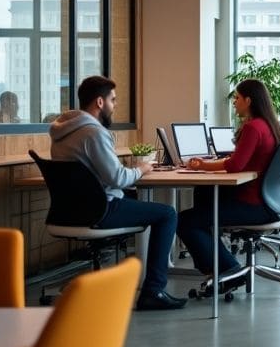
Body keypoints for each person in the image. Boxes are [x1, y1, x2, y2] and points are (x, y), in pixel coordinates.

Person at [49, 76, 186, 311]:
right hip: (101, 208)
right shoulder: (93, 133)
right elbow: (118, 178)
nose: (115, 105)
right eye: (113, 100)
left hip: (68, 211)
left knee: (139, 202)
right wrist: (143, 168)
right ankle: (153, 291)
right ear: (100, 102)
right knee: (167, 213)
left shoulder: (61, 133)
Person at [177, 78, 280, 287]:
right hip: (270, 202)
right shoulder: (270, 126)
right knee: (204, 200)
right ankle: (225, 267)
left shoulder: (253, 127)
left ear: (248, 100)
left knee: (186, 220)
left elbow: (235, 165)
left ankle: (227, 270)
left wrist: (201, 166)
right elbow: (243, 162)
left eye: (237, 98)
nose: (234, 102)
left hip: (254, 206)